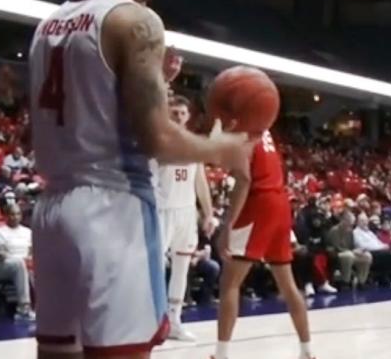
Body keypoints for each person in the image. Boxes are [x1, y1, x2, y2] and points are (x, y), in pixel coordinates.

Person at [28, 0, 251, 358]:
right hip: (114, 209)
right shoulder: (137, 21)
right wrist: (222, 148)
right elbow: (158, 140)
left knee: (57, 353)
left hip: (52, 210)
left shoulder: (49, 24)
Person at [214, 131, 315, 359]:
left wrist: (228, 225)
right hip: (280, 203)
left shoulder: (243, 132)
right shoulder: (264, 129)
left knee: (229, 283)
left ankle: (221, 354)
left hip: (258, 203)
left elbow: (244, 180)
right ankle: (307, 351)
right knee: (287, 284)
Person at [154, 95, 217, 342]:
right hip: (162, 209)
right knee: (156, 268)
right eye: (174, 112)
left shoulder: (193, 144)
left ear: (188, 116)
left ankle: (175, 321)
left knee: (182, 268)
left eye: (182, 113)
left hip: (187, 211)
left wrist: (209, 213)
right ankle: (152, 320)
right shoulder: (158, 139)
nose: (178, 117)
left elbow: (199, 180)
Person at [0, 203, 35, 322]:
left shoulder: (28, 231)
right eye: (11, 214)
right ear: (5, 216)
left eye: (17, 214)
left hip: (27, 262)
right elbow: (2, 253)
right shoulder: (0, 232)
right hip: (8, 264)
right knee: (19, 263)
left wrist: (30, 259)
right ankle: (23, 308)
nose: (15, 217)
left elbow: (32, 252)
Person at [326, 211, 373, 290]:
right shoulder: (334, 230)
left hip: (349, 252)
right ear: (344, 220)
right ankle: (345, 281)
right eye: (349, 222)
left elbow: (352, 246)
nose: (351, 225)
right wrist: (352, 251)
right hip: (337, 254)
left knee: (367, 256)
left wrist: (358, 250)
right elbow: (336, 247)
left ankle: (361, 281)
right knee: (348, 256)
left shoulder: (350, 231)